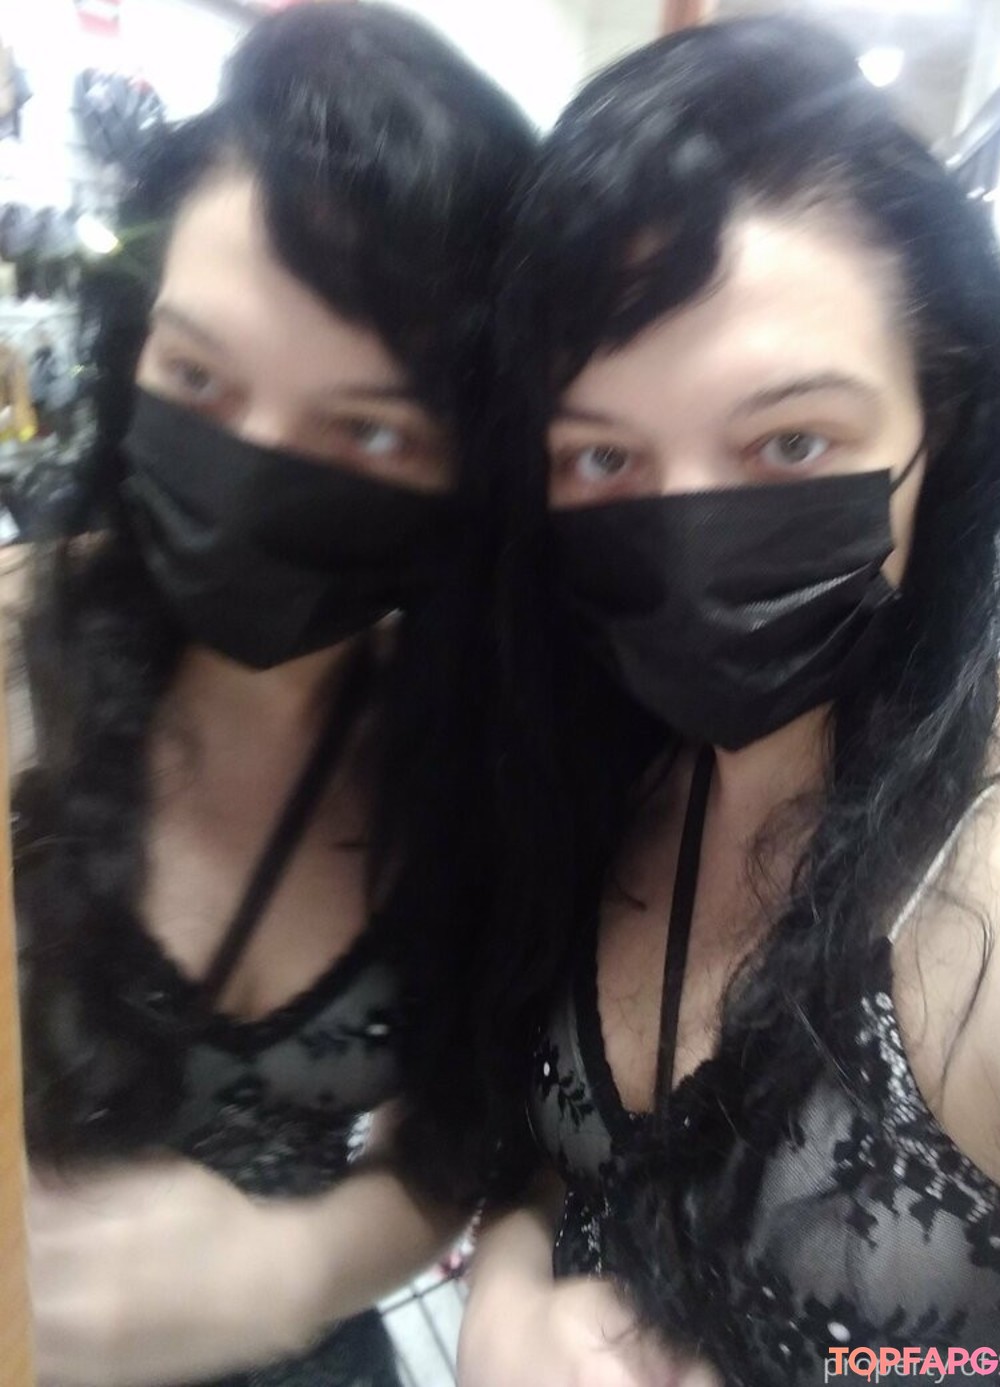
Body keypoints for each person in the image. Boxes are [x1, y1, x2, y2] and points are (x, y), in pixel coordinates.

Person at [460, 16, 1000, 1387]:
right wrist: (504, 1302)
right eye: (606, 458)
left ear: (942, 427)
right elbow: (541, 1159)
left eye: (792, 441)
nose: (691, 541)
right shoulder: (604, 755)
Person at [15, 5, 532, 1385]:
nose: (247, 471)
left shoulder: (479, 765)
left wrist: (290, 1269)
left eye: (365, 428)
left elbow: (460, 1140)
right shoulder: (17, 669)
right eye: (197, 375)